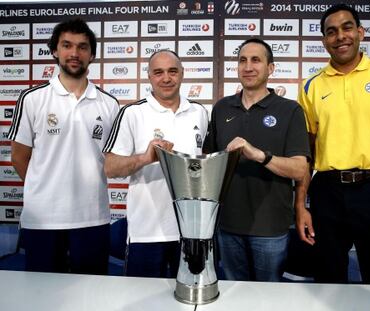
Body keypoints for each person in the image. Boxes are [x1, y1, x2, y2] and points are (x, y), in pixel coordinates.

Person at [296, 3, 370, 284]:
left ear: (360, 32)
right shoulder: (311, 86)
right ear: (324, 40)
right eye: (331, 32)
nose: (340, 37)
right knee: (327, 281)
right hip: (327, 193)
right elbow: (306, 155)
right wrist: (300, 206)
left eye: (347, 27)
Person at [7, 18, 119, 274]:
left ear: (91, 55)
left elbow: (113, 160)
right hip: (42, 220)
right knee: (42, 296)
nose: (74, 53)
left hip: (92, 217)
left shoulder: (109, 104)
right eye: (67, 45)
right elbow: (18, 157)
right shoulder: (32, 98)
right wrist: (44, 188)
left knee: (91, 293)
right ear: (55, 51)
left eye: (82, 47)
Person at [204, 38, 310, 282]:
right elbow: (210, 161)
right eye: (242, 60)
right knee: (234, 295)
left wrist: (259, 155)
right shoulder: (221, 108)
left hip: (271, 228)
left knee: (269, 298)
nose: (248, 66)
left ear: (270, 68)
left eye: (256, 60)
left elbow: (299, 169)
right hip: (227, 226)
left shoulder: (290, 110)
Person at [103, 50, 209, 278]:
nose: (166, 78)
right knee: (143, 301)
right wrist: (145, 158)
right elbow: (110, 167)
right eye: (158, 72)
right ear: (149, 76)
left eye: (172, 71)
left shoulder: (199, 112)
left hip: (190, 231)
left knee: (186, 300)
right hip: (147, 233)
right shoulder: (132, 113)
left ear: (182, 74)